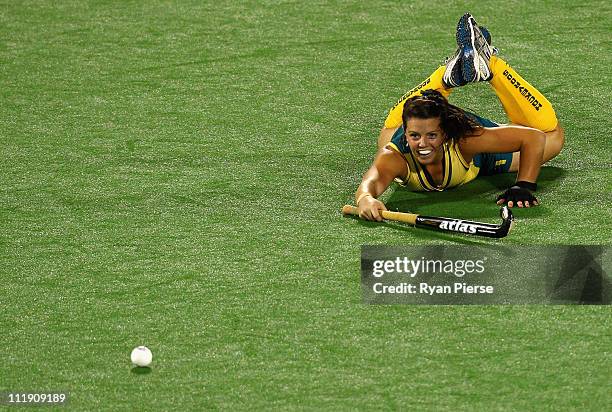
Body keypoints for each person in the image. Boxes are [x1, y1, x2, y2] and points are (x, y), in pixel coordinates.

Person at [356, 13, 564, 221]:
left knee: (552, 137)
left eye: (432, 136)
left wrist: (523, 185)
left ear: (445, 134)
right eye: (414, 136)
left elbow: (533, 137)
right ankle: (445, 78)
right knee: (386, 138)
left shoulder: (465, 140)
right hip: (408, 128)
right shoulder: (395, 156)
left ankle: (491, 67)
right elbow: (371, 181)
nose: (422, 144)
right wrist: (365, 198)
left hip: (473, 152)